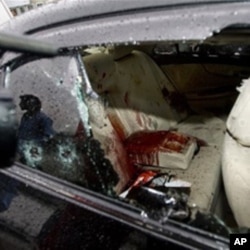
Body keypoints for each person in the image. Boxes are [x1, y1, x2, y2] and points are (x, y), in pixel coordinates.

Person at [17, 94, 55, 166]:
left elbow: (49, 136)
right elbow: (21, 132)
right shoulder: (25, 116)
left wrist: (35, 145)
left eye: (23, 102)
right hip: (22, 152)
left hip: (33, 153)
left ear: (30, 104)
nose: (20, 104)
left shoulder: (43, 118)